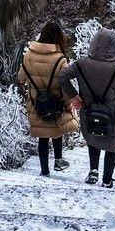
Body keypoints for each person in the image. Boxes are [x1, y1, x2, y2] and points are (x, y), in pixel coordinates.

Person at [59, 28, 115, 188]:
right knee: (112, 145)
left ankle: (93, 172)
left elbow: (63, 77)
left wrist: (74, 96)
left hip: (89, 110)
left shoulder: (81, 64)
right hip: (112, 113)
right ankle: (107, 180)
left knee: (93, 138)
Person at [18, 22, 79, 176]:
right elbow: (64, 86)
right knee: (56, 127)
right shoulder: (60, 59)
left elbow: (20, 78)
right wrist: (68, 105)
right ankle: (58, 160)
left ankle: (44, 170)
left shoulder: (28, 55)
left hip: (36, 102)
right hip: (55, 102)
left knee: (43, 135)